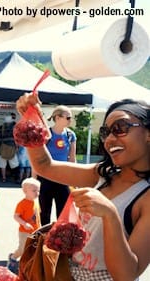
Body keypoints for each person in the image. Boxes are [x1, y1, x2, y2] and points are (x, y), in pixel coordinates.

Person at [16, 94, 150, 280]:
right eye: (106, 132)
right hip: (66, 273)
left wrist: (110, 214)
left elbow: (126, 274)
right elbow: (44, 165)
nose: (110, 139)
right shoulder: (104, 174)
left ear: (148, 134)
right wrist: (32, 119)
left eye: (120, 128)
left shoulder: (146, 197)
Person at [37, 105, 77, 225]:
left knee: (63, 214)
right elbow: (38, 157)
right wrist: (34, 179)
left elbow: (72, 159)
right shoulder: (46, 134)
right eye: (68, 117)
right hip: (45, 177)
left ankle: (59, 242)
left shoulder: (71, 135)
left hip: (63, 178)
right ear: (58, 118)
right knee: (44, 213)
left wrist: (74, 179)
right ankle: (42, 241)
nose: (70, 120)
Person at [7, 177, 41, 273]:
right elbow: (16, 216)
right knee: (22, 249)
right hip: (24, 231)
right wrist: (24, 223)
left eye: (38, 190)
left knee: (33, 249)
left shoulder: (36, 203)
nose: (37, 193)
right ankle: (13, 258)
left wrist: (41, 228)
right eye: (34, 191)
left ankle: (28, 266)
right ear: (25, 191)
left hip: (36, 230)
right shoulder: (22, 204)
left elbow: (37, 217)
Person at [0, 115, 19, 182]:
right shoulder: (15, 127)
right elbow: (17, 138)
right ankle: (16, 178)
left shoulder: (2, 127)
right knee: (14, 164)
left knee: (2, 164)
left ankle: (4, 178)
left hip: (3, 147)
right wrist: (17, 146)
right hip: (12, 147)